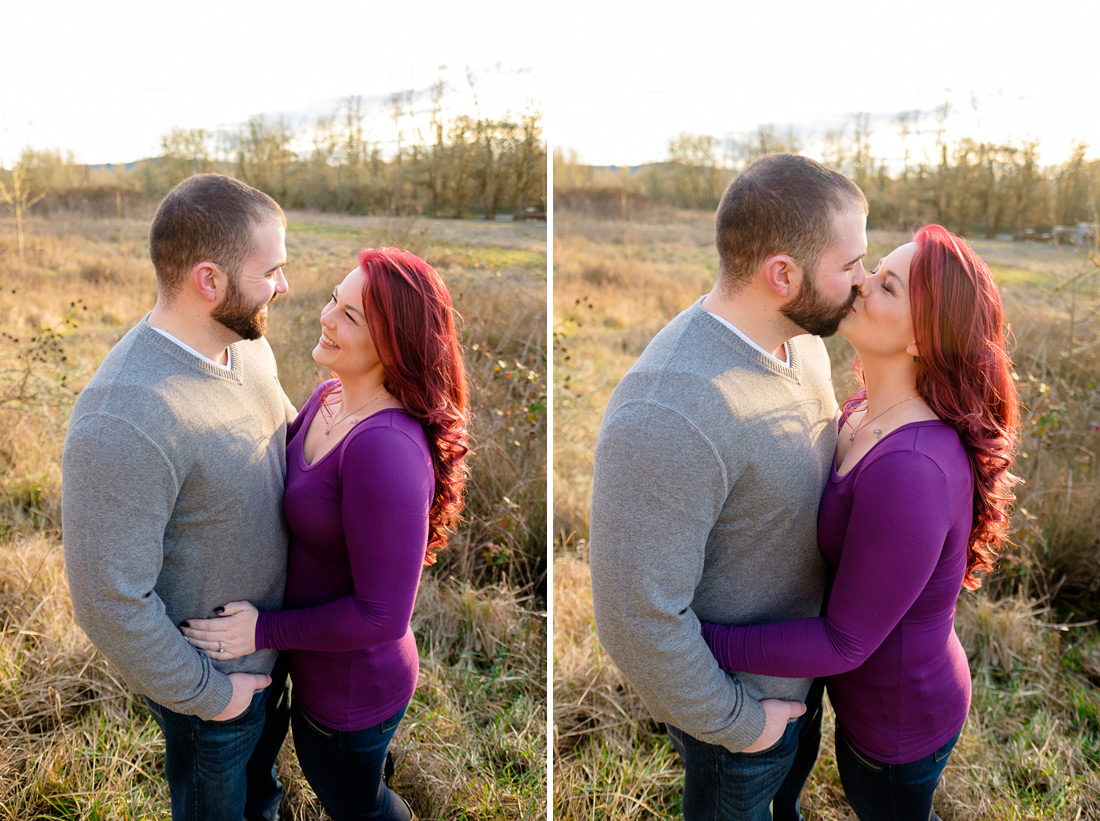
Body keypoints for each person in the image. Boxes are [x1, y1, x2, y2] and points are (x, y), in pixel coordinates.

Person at [701, 224, 1020, 820]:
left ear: (924, 339)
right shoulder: (862, 410)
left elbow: (843, 643)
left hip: (897, 723)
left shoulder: (912, 469)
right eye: (872, 270)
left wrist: (701, 640)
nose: (859, 284)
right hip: (858, 692)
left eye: (887, 287)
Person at [589, 153, 869, 820]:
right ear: (783, 275)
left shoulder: (799, 339)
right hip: (738, 722)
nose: (868, 278)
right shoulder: (666, 413)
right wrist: (743, 722)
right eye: (851, 264)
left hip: (801, 684)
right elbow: (636, 619)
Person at [179, 247, 470, 820]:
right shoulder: (330, 397)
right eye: (334, 299)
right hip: (309, 664)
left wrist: (263, 629)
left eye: (350, 316)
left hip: (350, 690)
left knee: (356, 805)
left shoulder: (384, 448)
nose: (325, 316)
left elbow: (382, 615)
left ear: (394, 344)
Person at [62, 173, 294, 821]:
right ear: (209, 281)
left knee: (264, 801)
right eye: (271, 270)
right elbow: (107, 600)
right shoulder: (124, 414)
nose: (284, 285)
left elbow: (283, 438)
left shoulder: (244, 347)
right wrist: (212, 694)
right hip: (211, 698)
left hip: (273, 654)